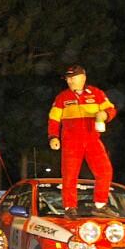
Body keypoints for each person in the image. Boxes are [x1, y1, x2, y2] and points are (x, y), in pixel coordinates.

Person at [48, 64, 119, 219]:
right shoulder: (62, 97)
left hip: (93, 139)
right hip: (71, 142)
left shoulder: (96, 93)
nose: (69, 81)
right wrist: (53, 137)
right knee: (69, 175)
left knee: (105, 170)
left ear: (82, 78)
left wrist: (104, 115)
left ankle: (100, 205)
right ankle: (69, 208)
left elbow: (111, 109)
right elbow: (54, 119)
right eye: (67, 78)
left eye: (72, 78)